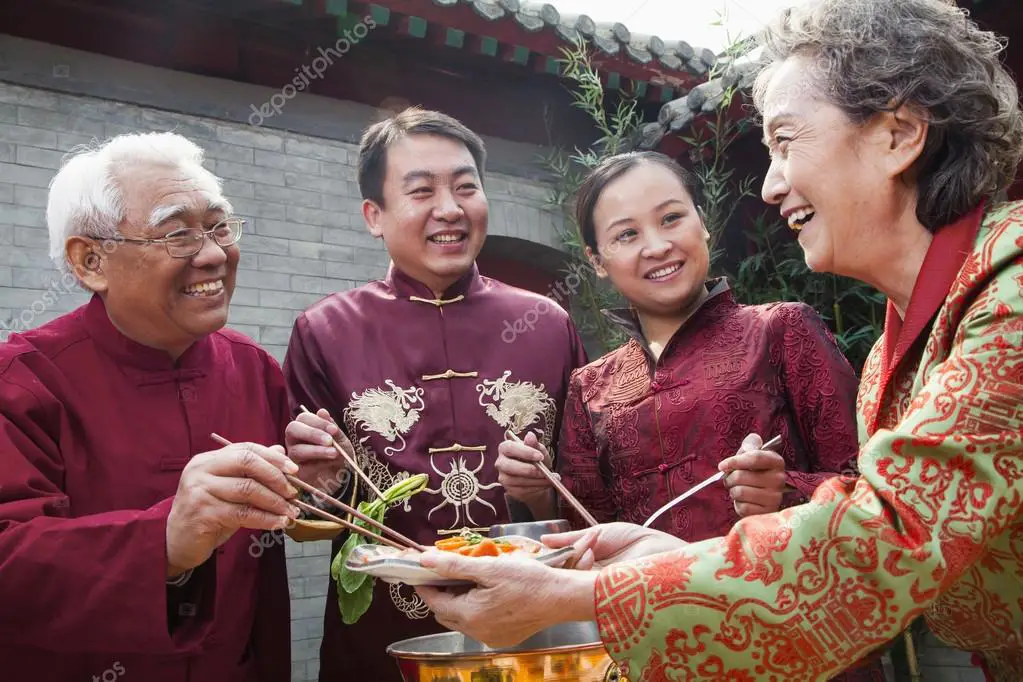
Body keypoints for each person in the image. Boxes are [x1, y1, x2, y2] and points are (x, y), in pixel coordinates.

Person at [412, 1, 1023, 680]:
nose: (768, 184)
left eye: (786, 142)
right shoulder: (893, 348)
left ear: (899, 134)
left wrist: (579, 594)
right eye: (623, 235)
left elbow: (876, 542)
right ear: (596, 260)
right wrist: (650, 552)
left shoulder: (1009, 292)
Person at [0, 131, 342, 681]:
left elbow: (279, 534)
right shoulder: (21, 380)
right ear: (91, 261)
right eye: (177, 234)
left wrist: (316, 487)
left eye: (219, 226)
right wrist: (165, 541)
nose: (213, 255)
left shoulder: (253, 369)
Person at [281, 107, 588, 679]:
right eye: (421, 191)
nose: (450, 209)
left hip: (531, 630)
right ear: (375, 215)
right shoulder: (325, 331)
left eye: (465, 187)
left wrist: (544, 493)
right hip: (380, 635)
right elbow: (305, 517)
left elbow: (594, 493)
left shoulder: (547, 323)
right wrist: (315, 488)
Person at [497, 151, 862, 543]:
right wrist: (540, 494)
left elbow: (867, 490)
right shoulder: (591, 386)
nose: (656, 246)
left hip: (774, 597)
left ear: (702, 223)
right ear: (597, 260)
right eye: (626, 235)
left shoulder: (781, 330)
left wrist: (786, 489)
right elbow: (589, 531)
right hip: (642, 601)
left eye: (671, 218)